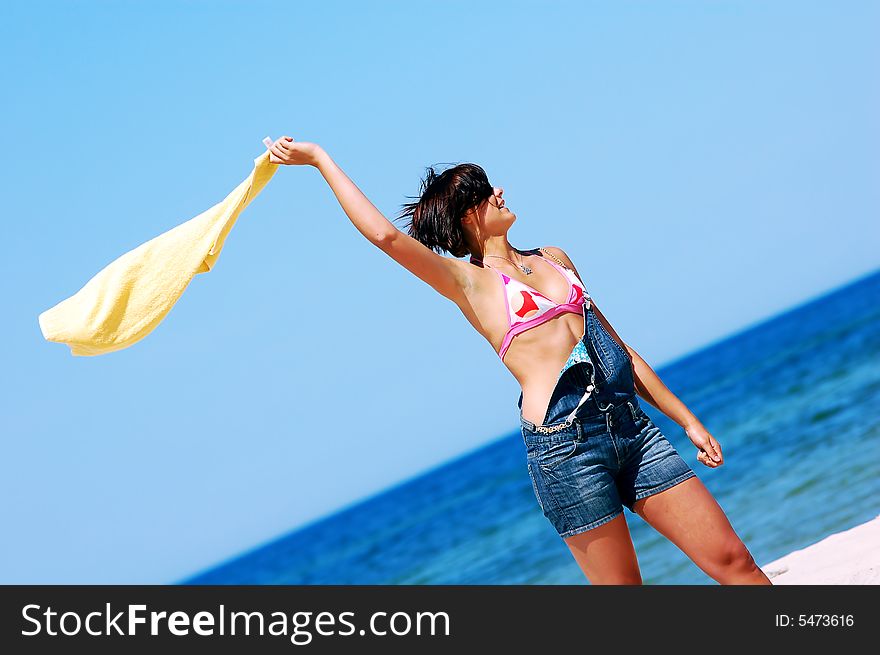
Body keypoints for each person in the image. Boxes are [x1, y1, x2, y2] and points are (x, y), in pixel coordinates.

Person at [266, 136, 772, 585]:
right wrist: (319, 159)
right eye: (487, 192)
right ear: (468, 214)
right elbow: (386, 237)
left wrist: (687, 420)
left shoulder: (555, 257)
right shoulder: (471, 284)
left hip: (632, 429)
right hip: (566, 451)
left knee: (733, 561)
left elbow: (619, 349)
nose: (500, 192)